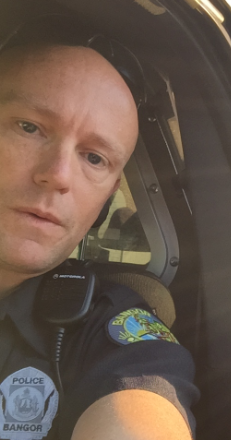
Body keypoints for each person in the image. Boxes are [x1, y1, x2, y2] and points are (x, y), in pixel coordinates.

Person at [0, 14, 199, 440]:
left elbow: (143, 407)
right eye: (29, 127)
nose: (58, 175)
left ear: (106, 200)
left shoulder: (114, 329)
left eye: (94, 158)